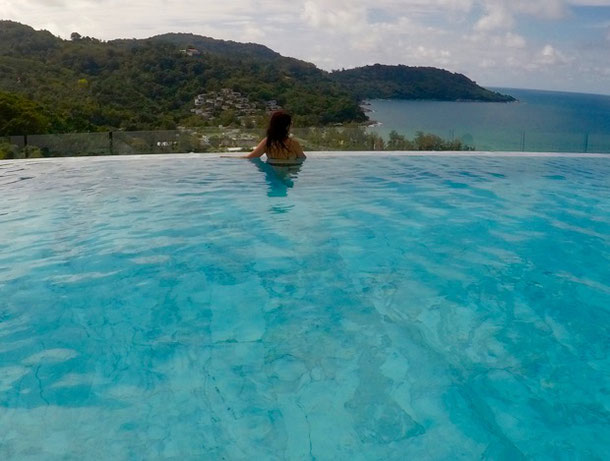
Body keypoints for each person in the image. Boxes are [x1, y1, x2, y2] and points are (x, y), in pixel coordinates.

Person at [235, 111, 306, 165]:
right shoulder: (293, 143)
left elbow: (251, 157)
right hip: (288, 171)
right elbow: (302, 159)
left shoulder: (268, 142)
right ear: (287, 126)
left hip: (272, 173)